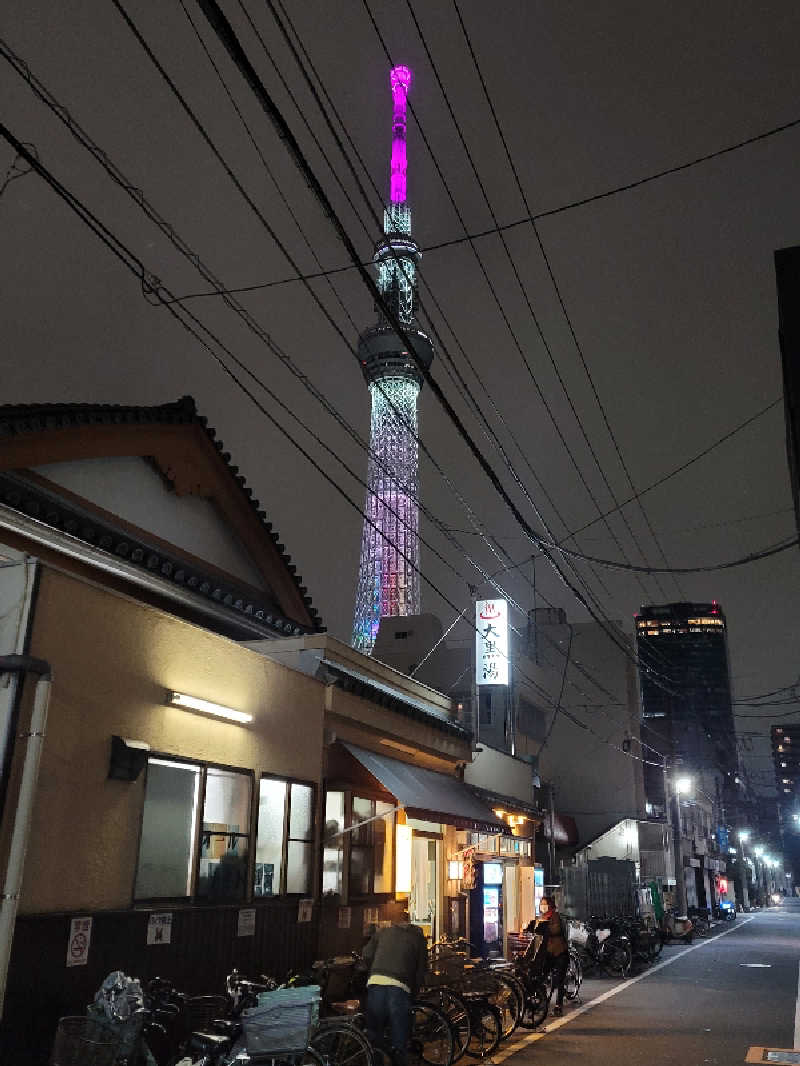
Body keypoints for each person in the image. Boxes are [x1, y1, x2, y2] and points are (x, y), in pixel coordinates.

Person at [362, 911, 428, 1066]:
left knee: (374, 1034)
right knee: (399, 1039)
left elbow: (366, 954)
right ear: (410, 923)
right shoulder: (418, 938)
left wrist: (374, 967)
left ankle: (376, 1061)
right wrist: (415, 993)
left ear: (394, 923)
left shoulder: (383, 932)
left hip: (376, 982)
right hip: (400, 987)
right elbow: (421, 970)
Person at [526, 895, 568, 1015]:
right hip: (548, 953)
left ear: (550, 905)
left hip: (560, 952)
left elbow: (555, 930)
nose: (542, 906)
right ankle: (541, 1001)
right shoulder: (542, 917)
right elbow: (535, 930)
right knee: (541, 976)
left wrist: (544, 926)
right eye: (541, 903)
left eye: (544, 903)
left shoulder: (555, 916)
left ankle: (558, 1005)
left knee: (559, 979)